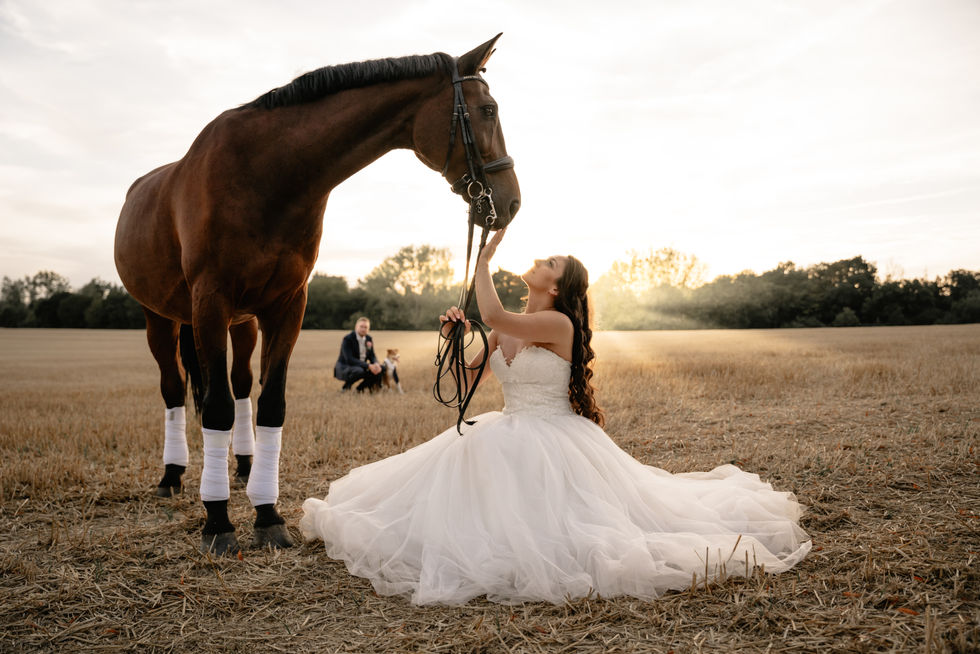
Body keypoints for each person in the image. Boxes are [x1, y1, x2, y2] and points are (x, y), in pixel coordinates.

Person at [302, 230, 811, 605]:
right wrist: (455, 337)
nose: (540, 260)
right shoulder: (509, 330)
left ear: (557, 286)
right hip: (507, 425)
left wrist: (483, 259)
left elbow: (496, 316)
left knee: (570, 527)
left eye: (550, 261)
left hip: (554, 436)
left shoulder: (558, 323)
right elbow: (466, 377)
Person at [333, 317, 383, 392]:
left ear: (368, 329)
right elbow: (349, 359)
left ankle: (360, 388)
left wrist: (376, 363)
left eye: (366, 327)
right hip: (346, 367)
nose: (363, 329)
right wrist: (368, 366)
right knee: (359, 371)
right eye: (361, 327)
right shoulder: (348, 339)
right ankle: (346, 387)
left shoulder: (369, 339)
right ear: (356, 327)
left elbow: (372, 355)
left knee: (381, 368)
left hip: (362, 365)